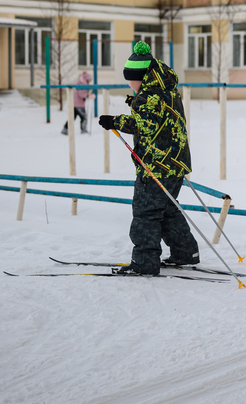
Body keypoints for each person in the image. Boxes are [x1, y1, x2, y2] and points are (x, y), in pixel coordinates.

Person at [98, 41, 199, 276]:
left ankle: (144, 262)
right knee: (168, 210)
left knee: (146, 213)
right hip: (176, 164)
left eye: (131, 80)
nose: (130, 85)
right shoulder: (166, 89)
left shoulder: (148, 96)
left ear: (141, 77)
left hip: (157, 166)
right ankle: (186, 253)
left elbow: (144, 125)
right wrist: (134, 104)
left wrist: (115, 121)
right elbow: (158, 118)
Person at [61, 71, 93, 135]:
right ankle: (83, 130)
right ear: (86, 79)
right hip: (79, 104)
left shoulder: (79, 82)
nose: (89, 81)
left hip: (75, 103)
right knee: (84, 117)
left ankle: (65, 129)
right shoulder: (82, 84)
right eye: (89, 80)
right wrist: (88, 95)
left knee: (72, 117)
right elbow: (81, 94)